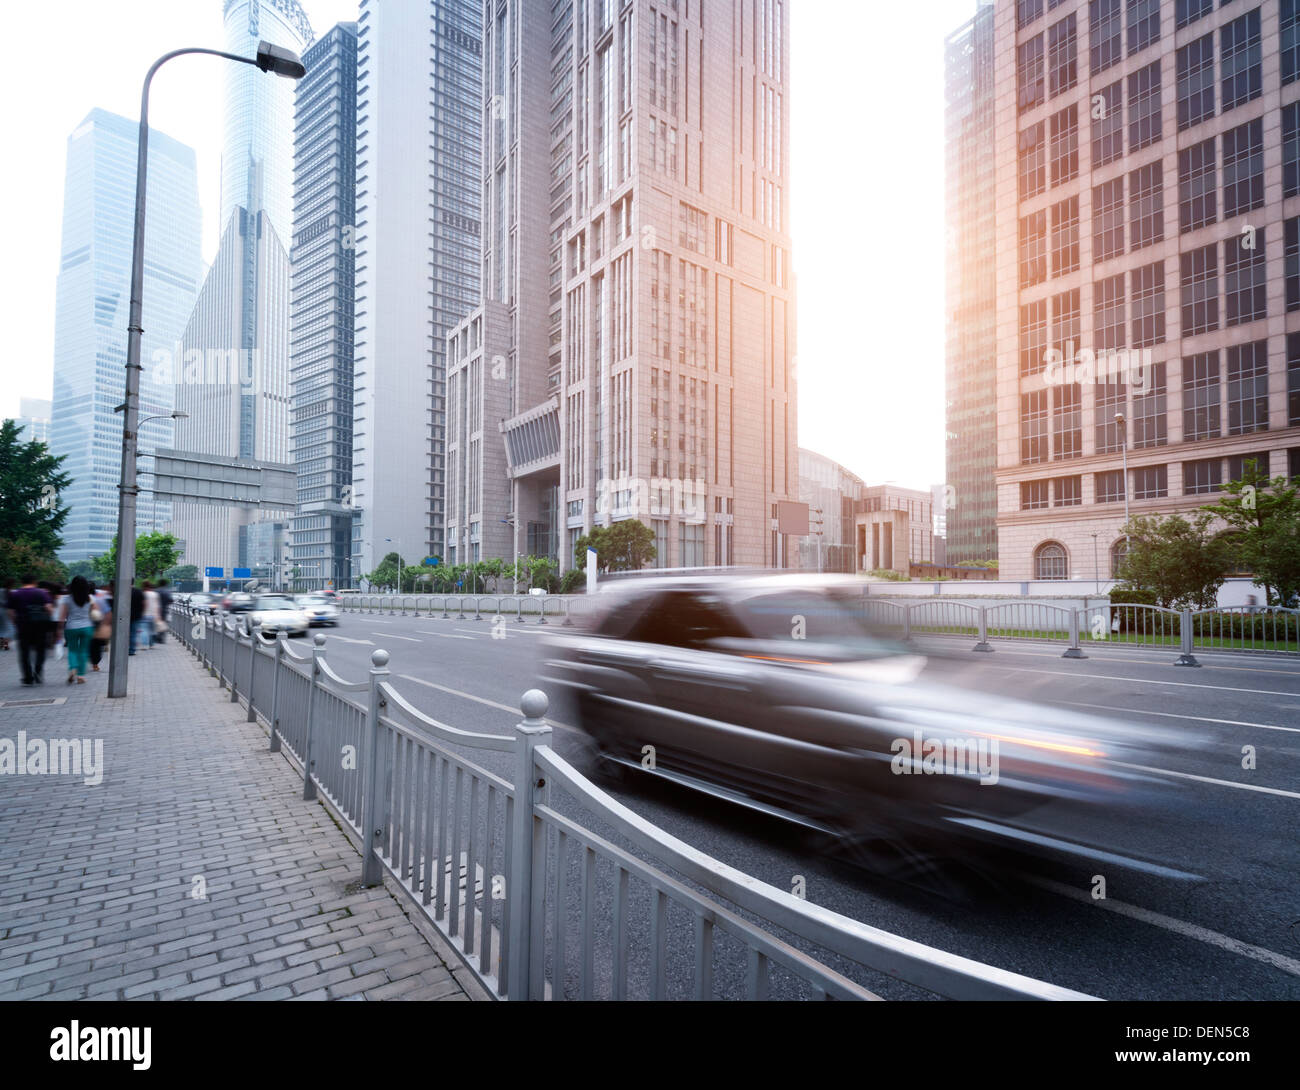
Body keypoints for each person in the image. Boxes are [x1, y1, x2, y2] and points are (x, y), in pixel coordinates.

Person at [7, 574, 53, 685]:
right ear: (34, 581)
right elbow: (49, 608)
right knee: (40, 650)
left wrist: (15, 622)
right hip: (40, 626)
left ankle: (28, 677)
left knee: (24, 652)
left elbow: (10, 612)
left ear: (22, 581)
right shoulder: (41, 593)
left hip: (23, 626)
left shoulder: (16, 594)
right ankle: (37, 671)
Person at [58, 576, 95, 685]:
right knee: (83, 651)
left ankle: (73, 668)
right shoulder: (90, 598)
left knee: (72, 650)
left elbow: (62, 616)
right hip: (87, 627)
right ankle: (81, 675)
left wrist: (59, 628)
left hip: (71, 627)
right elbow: (94, 613)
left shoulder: (67, 599)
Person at [89, 582, 113, 671]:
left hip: (84, 625)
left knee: (90, 644)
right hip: (97, 624)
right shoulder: (99, 599)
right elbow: (108, 612)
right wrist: (106, 624)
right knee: (96, 645)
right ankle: (95, 663)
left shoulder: (78, 598)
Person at [129, 580, 146, 655]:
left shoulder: (122, 590)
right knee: (133, 634)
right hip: (136, 615)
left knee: (122, 633)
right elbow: (144, 604)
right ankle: (132, 650)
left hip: (123, 616)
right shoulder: (139, 591)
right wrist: (142, 613)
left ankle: (121, 648)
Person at [154, 579, 172, 644]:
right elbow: (170, 600)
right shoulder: (167, 591)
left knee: (155, 623)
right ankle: (161, 638)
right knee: (163, 624)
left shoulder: (155, 591)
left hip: (155, 610)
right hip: (164, 610)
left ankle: (155, 636)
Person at [0, 577, 15, 651]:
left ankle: (2, 644)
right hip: (5, 611)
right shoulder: (9, 592)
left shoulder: (1, 590)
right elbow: (10, 603)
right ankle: (5, 644)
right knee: (9, 629)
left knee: (2, 628)